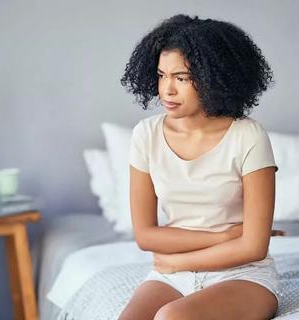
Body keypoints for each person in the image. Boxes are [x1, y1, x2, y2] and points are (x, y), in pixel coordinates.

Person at [119, 14, 284, 320]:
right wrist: (224, 236)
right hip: (171, 277)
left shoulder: (248, 135)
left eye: (181, 78)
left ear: (214, 78)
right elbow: (146, 236)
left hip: (242, 275)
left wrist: (177, 261)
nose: (167, 90)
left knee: (172, 317)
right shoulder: (146, 134)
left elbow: (253, 247)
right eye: (161, 75)